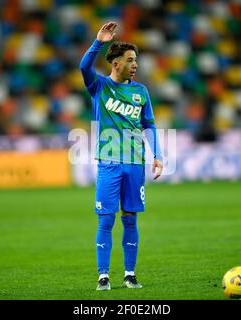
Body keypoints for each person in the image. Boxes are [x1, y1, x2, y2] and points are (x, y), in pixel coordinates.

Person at [80, 21, 163, 291]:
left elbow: (148, 125)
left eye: (136, 60)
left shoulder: (141, 92)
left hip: (135, 165)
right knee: (106, 219)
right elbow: (84, 67)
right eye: (130, 60)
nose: (135, 64)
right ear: (116, 64)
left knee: (130, 218)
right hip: (109, 163)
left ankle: (129, 274)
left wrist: (157, 155)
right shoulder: (99, 87)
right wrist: (99, 42)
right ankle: (103, 275)